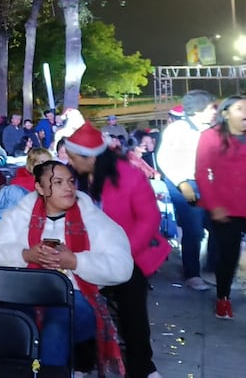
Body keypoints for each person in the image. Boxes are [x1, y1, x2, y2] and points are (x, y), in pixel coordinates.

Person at [0, 160, 133, 374]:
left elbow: (123, 267)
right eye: (58, 182)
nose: (68, 188)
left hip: (77, 298)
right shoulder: (19, 216)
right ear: (40, 188)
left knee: (57, 323)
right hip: (25, 293)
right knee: (9, 322)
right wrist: (26, 255)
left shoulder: (93, 219)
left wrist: (75, 262)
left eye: (71, 182)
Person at [63, 122, 168, 378]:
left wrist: (121, 254)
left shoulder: (129, 175)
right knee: (80, 304)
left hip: (127, 255)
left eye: (75, 158)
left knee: (132, 307)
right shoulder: (71, 178)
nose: (71, 162)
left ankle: (142, 366)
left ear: (91, 158)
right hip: (84, 256)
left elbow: (149, 219)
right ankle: (83, 362)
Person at [155, 89, 218, 291]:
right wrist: (182, 183)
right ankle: (192, 274)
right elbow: (164, 158)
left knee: (218, 225)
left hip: (209, 184)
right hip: (184, 184)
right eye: (211, 107)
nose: (214, 111)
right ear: (199, 109)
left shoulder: (214, 129)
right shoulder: (177, 130)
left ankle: (212, 268)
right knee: (194, 230)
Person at [195, 95, 246, 320]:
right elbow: (202, 173)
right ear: (226, 113)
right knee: (229, 256)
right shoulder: (210, 137)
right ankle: (223, 299)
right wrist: (214, 205)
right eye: (240, 108)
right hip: (226, 209)